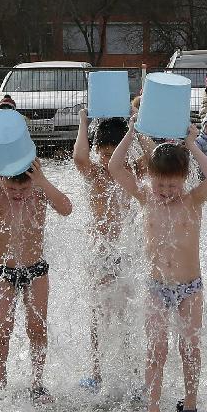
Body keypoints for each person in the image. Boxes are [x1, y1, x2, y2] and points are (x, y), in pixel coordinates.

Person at [108, 120, 207, 412]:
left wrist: (193, 144)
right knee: (156, 351)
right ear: (151, 178)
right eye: (161, 184)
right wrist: (131, 134)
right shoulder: (146, 197)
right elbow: (115, 167)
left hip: (190, 288)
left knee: (190, 348)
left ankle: (189, 405)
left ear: (183, 181)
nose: (167, 192)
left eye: (173, 185)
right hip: (157, 287)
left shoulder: (193, 200)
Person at [0, 145, 73, 404]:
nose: (17, 194)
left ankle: (37, 381)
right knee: (1, 328)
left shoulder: (39, 189)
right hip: (4, 270)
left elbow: (67, 208)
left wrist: (41, 180)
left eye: (23, 189)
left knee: (36, 327)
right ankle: (0, 380)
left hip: (36, 270)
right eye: (13, 189)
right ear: (3, 180)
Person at [73, 110, 136, 393]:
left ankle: (129, 366)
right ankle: (97, 370)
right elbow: (78, 158)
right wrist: (84, 124)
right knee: (98, 311)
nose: (109, 158)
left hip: (125, 249)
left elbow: (150, 160)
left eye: (115, 152)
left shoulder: (131, 173)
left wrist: (137, 128)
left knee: (125, 310)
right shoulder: (95, 174)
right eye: (104, 151)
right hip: (100, 250)